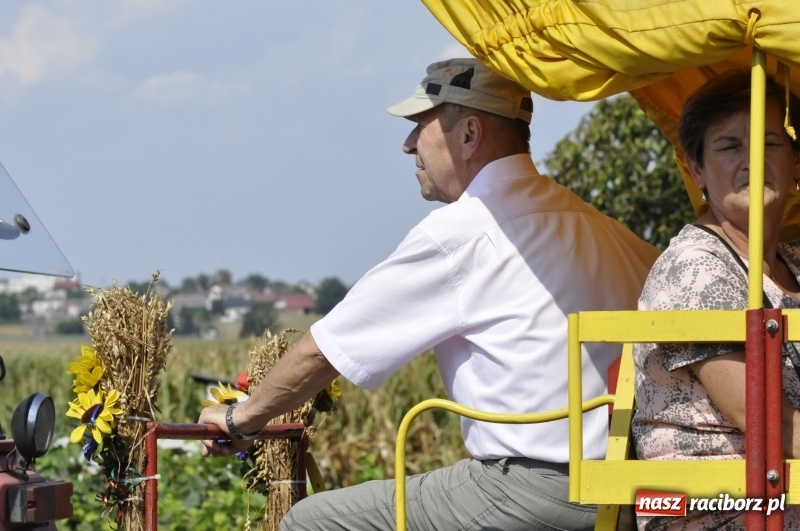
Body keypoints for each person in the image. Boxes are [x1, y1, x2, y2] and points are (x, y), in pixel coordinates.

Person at [199, 57, 659, 530]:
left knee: (310, 521)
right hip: (629, 493)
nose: (408, 145)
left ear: (469, 134)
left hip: (529, 493)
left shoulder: (463, 232)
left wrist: (241, 419)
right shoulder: (603, 229)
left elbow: (324, 351)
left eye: (421, 126)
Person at [632, 69, 800, 530]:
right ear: (696, 168)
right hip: (718, 511)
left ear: (796, 160)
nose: (752, 161)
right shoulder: (694, 269)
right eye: (730, 146)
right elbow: (771, 423)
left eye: (769, 143)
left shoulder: (792, 263)